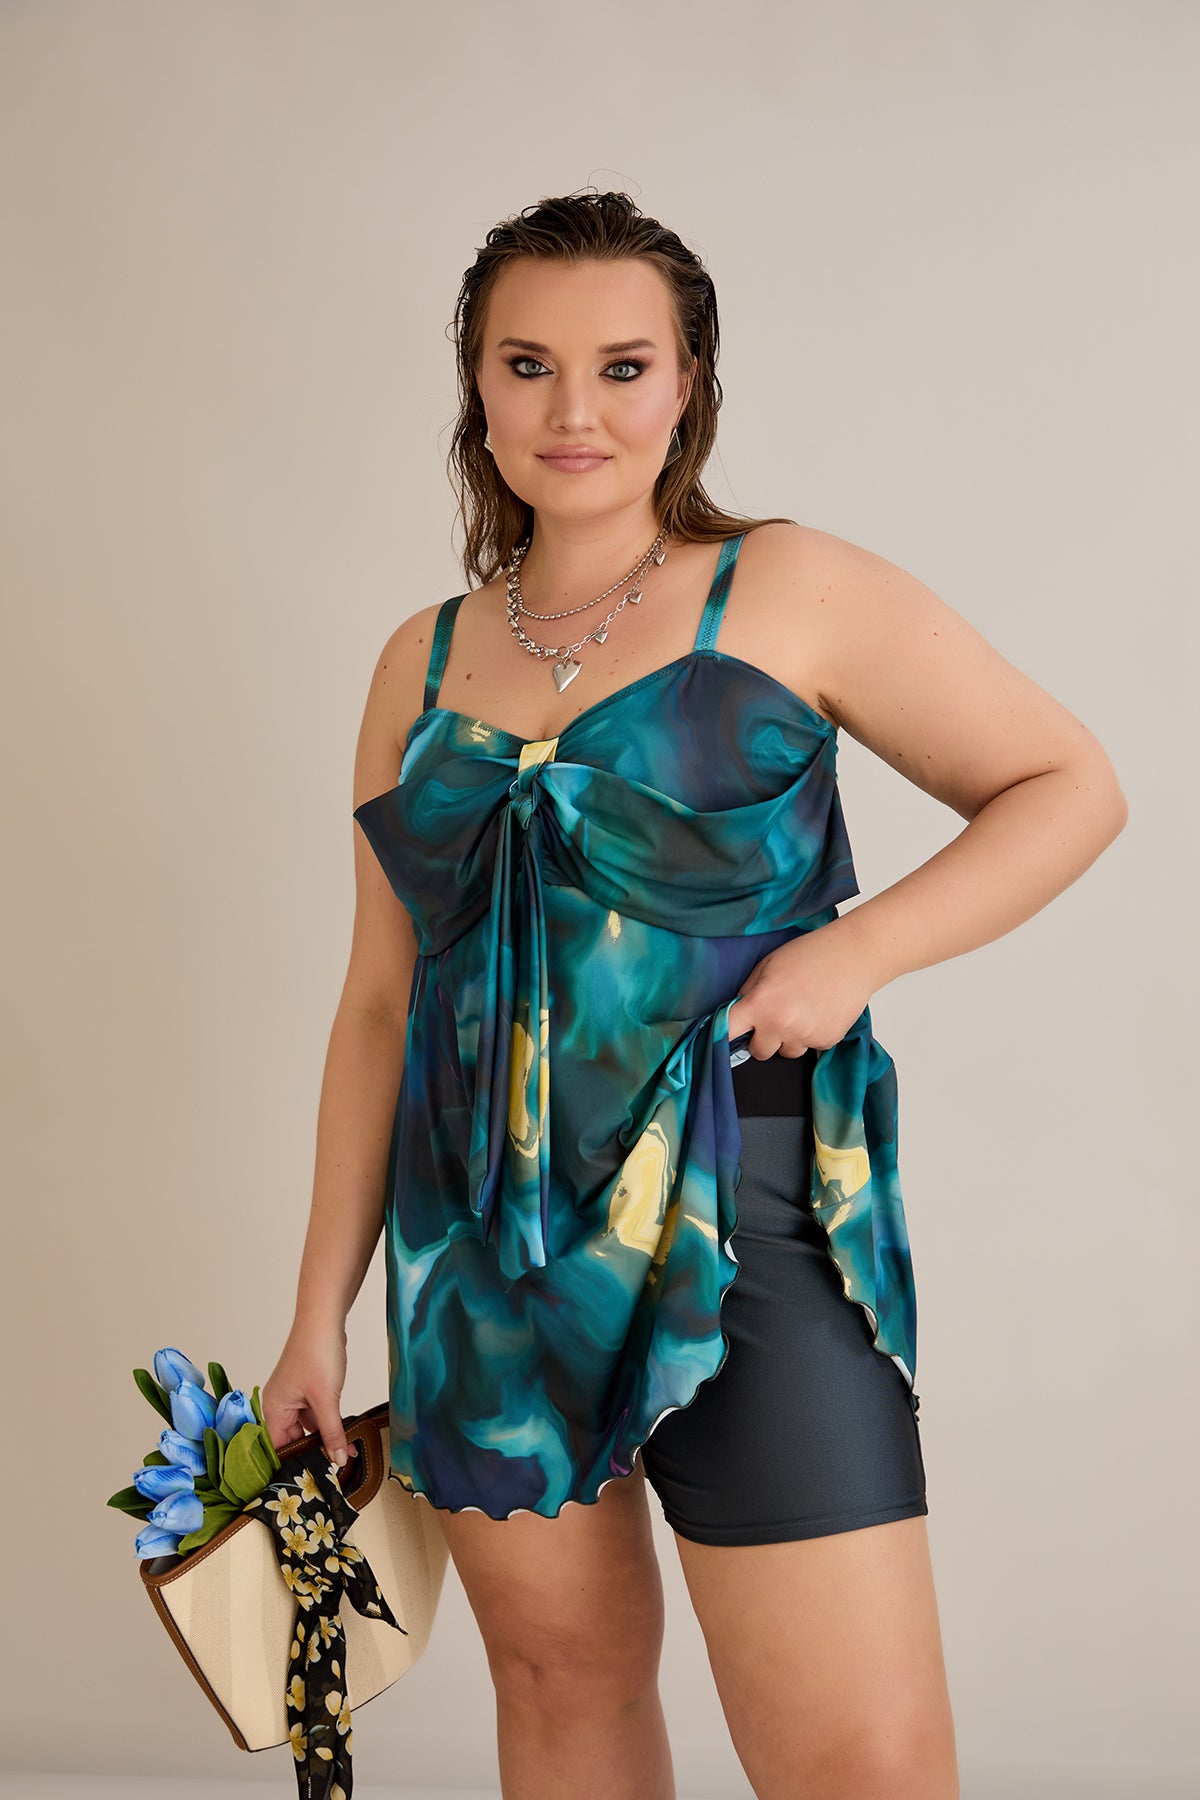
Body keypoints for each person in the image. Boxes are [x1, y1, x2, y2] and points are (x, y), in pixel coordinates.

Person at [262, 189, 1127, 1800]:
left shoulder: (789, 586)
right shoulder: (419, 660)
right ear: (476, 386)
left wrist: (858, 950)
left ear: (689, 384)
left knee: (862, 1760)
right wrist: (319, 1313)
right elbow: (381, 1004)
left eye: (622, 366)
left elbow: (1067, 784)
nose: (572, 412)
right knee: (561, 1689)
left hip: (749, 1217)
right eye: (526, 365)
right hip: (481, 1256)